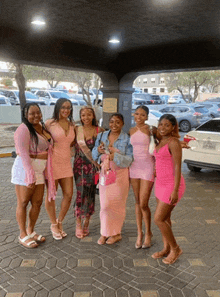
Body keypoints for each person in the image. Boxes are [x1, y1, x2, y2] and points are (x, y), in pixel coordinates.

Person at [11, 103, 55, 248]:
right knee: (23, 202)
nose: (36, 115)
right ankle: (22, 234)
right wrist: (30, 175)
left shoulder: (42, 128)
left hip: (39, 170)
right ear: (25, 115)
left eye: (38, 112)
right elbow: (23, 153)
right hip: (25, 170)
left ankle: (30, 230)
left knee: (37, 203)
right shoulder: (23, 130)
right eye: (32, 113)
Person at [92, 113, 133, 245]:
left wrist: (115, 156)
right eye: (111, 122)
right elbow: (94, 154)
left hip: (120, 175)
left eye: (117, 122)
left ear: (123, 124)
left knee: (117, 205)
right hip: (105, 174)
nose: (114, 125)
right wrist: (98, 151)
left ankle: (116, 233)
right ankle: (104, 233)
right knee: (105, 206)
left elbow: (129, 160)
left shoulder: (127, 139)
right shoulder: (102, 136)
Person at [151, 114, 185, 264]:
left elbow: (178, 167)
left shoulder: (173, 142)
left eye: (166, 125)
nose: (162, 128)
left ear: (173, 127)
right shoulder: (160, 139)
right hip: (160, 183)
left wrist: (175, 190)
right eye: (161, 124)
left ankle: (176, 248)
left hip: (172, 185)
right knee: (165, 218)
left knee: (158, 219)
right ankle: (166, 249)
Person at [45, 98, 75, 240]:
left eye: (68, 108)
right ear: (57, 108)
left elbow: (74, 143)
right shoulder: (49, 123)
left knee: (68, 194)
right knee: (51, 195)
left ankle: (60, 221)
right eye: (63, 107)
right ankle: (53, 224)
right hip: (52, 164)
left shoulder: (72, 125)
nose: (66, 110)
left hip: (66, 163)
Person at [73, 106, 104, 238]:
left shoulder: (100, 130)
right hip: (79, 167)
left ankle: (87, 222)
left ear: (93, 116)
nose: (86, 118)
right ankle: (78, 223)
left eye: (89, 115)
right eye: (83, 115)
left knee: (90, 194)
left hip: (93, 167)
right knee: (81, 193)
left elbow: (104, 148)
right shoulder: (76, 129)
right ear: (80, 117)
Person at [129, 106, 156, 249]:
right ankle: (139, 233)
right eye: (137, 114)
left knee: (144, 202)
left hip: (147, 167)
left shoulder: (151, 130)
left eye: (142, 114)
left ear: (147, 117)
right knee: (137, 201)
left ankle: (149, 233)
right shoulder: (131, 130)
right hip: (134, 168)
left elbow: (162, 145)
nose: (138, 117)